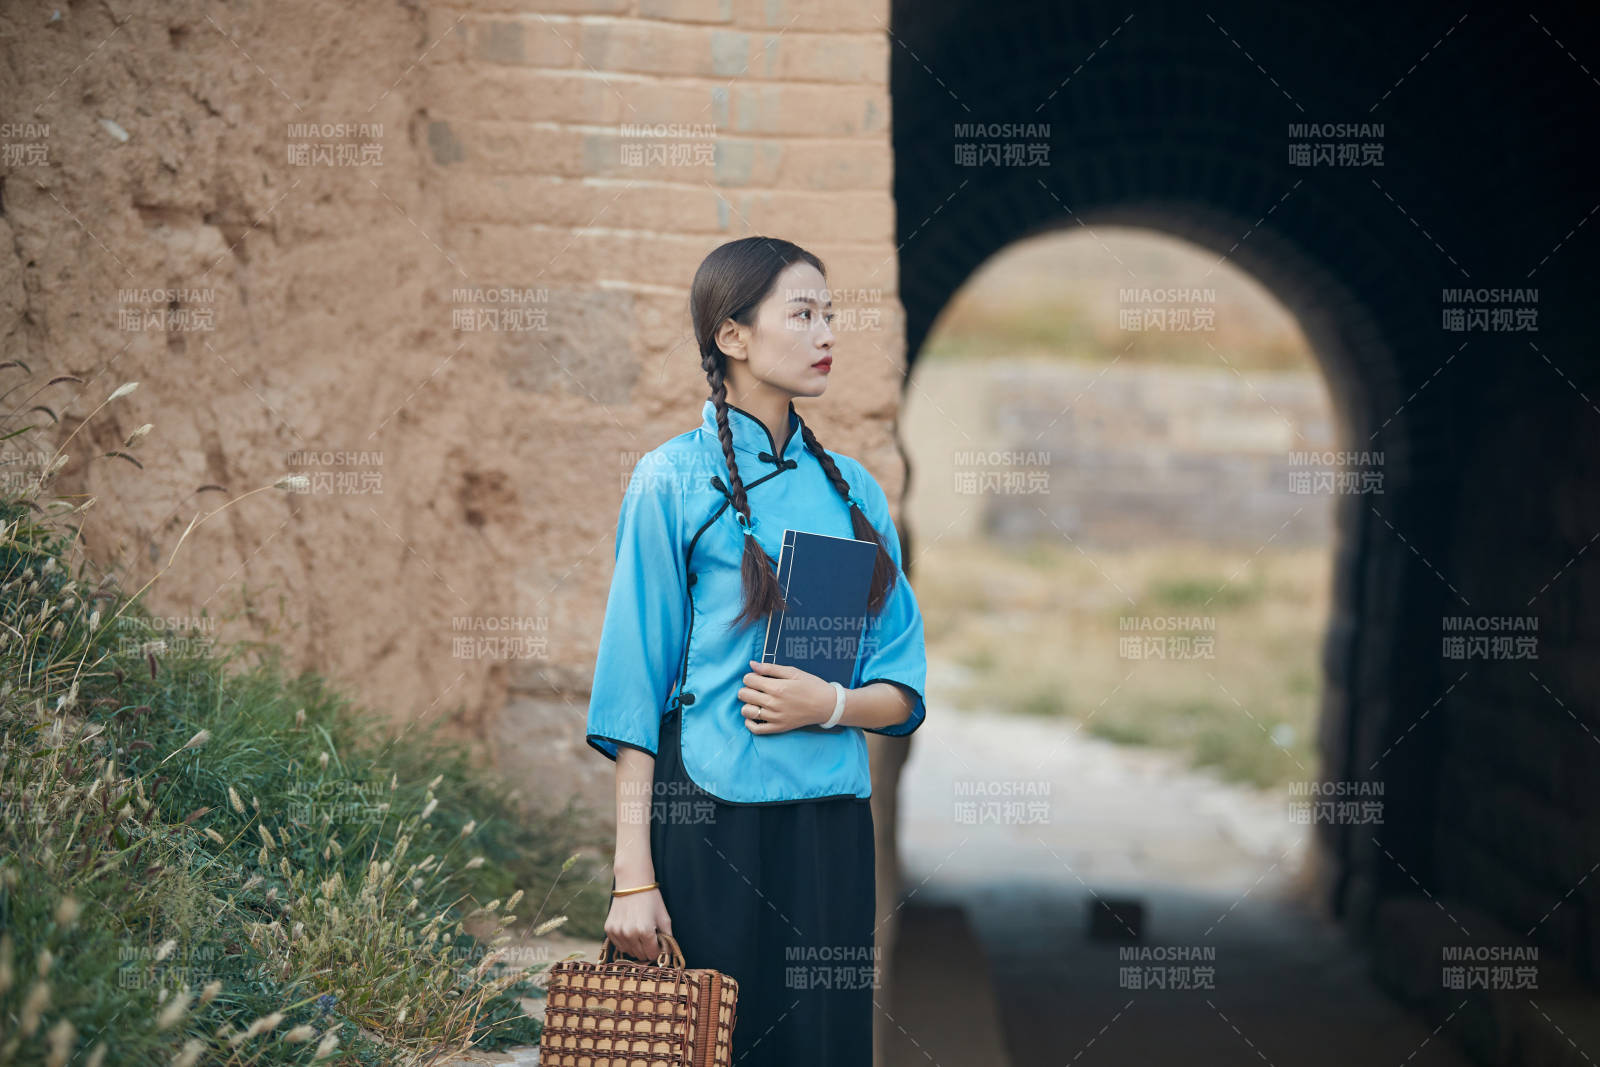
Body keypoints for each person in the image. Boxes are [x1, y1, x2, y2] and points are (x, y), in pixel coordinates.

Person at [583, 235, 929, 1066]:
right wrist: (633, 875)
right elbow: (633, 695)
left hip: (829, 829)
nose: (826, 334)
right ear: (732, 336)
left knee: (824, 1049)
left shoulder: (856, 492)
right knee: (707, 1049)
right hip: (707, 819)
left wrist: (832, 705)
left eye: (831, 315)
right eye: (802, 314)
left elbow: (904, 685)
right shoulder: (669, 480)